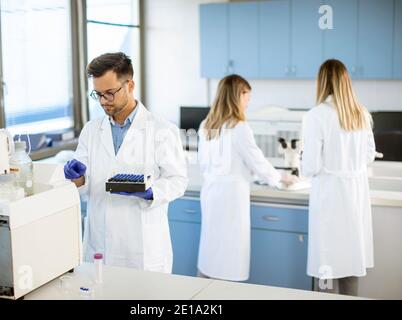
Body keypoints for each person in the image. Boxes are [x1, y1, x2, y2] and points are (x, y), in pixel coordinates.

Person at [64, 52, 188, 273]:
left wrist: (151, 192)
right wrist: (77, 177)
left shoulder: (162, 130)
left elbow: (178, 180)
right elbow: (83, 182)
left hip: (141, 248)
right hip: (100, 245)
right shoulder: (92, 130)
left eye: (109, 93)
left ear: (129, 85)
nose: (103, 101)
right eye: (98, 94)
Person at [197, 74, 296, 281]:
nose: (248, 101)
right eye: (246, 96)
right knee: (230, 257)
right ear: (237, 96)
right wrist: (279, 178)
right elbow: (257, 161)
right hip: (231, 199)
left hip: (211, 194)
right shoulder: (239, 127)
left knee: (212, 252)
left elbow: (205, 163)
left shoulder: (207, 124)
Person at [301, 59, 376, 296]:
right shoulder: (361, 113)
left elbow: (311, 166)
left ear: (321, 82)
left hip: (330, 197)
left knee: (326, 264)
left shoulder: (316, 115)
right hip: (355, 197)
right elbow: (369, 155)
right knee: (350, 263)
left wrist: (304, 159)